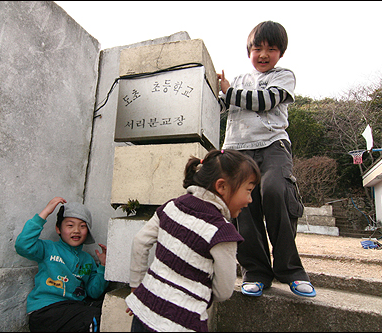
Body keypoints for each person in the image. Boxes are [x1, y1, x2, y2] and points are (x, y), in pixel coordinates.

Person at [216, 20, 316, 298]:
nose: (263, 54)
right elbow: (219, 107)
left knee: (275, 190)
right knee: (243, 207)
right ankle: (256, 271)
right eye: (257, 48)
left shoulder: (284, 76)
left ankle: (291, 270)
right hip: (237, 150)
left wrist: (228, 92)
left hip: (273, 146)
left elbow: (265, 101)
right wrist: (211, 89)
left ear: (280, 53)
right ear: (248, 51)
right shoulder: (236, 81)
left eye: (271, 49)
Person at [125, 149, 261, 332]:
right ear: (222, 187)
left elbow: (140, 241)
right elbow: (223, 291)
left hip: (143, 312)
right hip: (183, 323)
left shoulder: (171, 206)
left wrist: (136, 287)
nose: (250, 200)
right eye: (249, 190)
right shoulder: (222, 233)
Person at [15, 197, 109, 332]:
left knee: (109, 310)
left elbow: (94, 292)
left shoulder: (87, 260)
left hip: (73, 310)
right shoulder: (48, 249)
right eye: (70, 225)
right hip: (46, 311)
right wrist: (46, 212)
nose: (76, 230)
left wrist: (103, 267)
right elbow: (23, 245)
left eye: (82, 226)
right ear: (58, 229)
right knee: (94, 318)